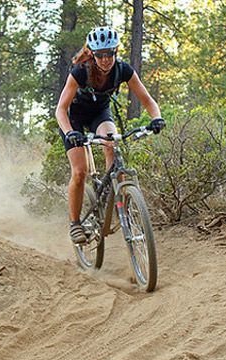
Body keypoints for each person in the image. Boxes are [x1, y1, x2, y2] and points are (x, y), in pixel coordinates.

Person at [55, 26, 165, 244]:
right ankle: (75, 223)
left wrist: (156, 118)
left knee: (112, 144)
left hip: (99, 114)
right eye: (100, 55)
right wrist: (70, 133)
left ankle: (116, 197)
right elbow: (60, 109)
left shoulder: (123, 70)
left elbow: (147, 100)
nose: (105, 60)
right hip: (74, 117)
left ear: (116, 52)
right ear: (93, 54)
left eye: (110, 54)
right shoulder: (80, 71)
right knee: (79, 171)